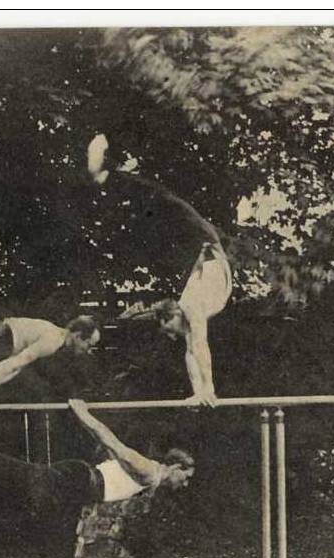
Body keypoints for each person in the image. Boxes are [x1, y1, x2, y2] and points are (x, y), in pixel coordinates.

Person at [0, 400, 194, 558]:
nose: (186, 485)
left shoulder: (151, 479)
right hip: (74, 481)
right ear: (176, 466)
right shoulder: (148, 470)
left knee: (7, 479)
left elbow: (111, 462)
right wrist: (83, 413)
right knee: (7, 473)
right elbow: (109, 440)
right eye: (186, 477)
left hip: (78, 486)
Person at [88, 134, 232, 407]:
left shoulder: (191, 307)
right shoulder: (191, 309)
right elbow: (194, 351)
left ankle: (111, 173)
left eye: (168, 331)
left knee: (164, 201)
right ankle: (112, 173)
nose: (170, 334)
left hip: (204, 247)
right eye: (168, 330)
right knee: (165, 201)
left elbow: (196, 350)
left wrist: (205, 391)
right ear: (170, 316)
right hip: (206, 244)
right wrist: (203, 391)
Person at [0, 315, 100, 410]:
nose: (88, 351)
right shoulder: (52, 342)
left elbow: (16, 366)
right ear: (77, 336)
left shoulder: (57, 337)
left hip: (1, 335)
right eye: (88, 344)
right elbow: (13, 364)